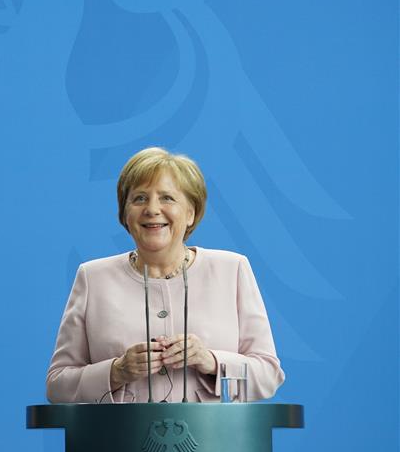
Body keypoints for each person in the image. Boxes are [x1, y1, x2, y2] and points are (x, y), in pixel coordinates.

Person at [46, 147, 284, 403]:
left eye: (167, 198)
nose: (152, 209)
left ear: (191, 212)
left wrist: (212, 361)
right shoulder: (93, 277)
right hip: (117, 440)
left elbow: (268, 375)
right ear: (125, 214)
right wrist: (117, 371)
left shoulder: (232, 269)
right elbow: (58, 385)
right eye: (139, 198)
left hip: (212, 439)